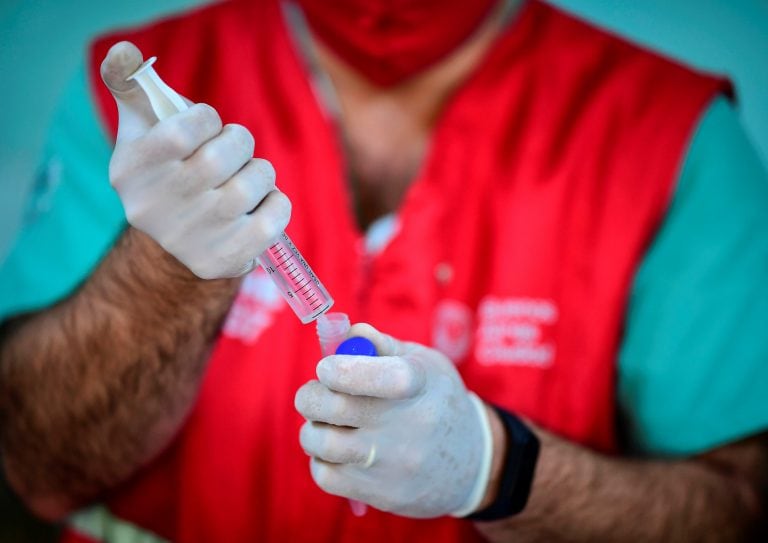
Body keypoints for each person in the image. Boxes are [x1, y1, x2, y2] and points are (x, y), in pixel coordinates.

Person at [1, 0, 767, 540]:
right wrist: (168, 267)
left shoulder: (667, 135)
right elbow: (32, 464)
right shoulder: (130, 103)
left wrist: (496, 467)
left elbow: (741, 512)